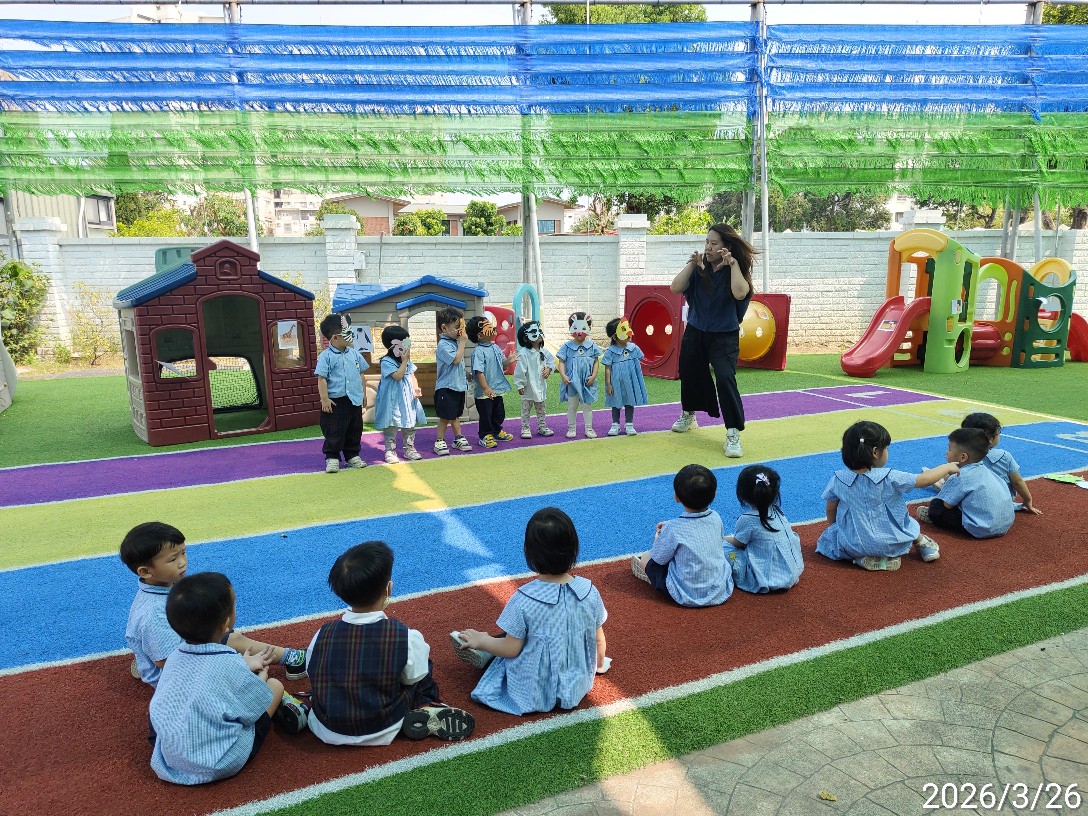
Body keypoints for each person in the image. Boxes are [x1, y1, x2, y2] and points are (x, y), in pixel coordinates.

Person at [305, 541, 475, 745]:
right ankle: (427, 705)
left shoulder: (322, 634)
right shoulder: (405, 637)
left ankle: (303, 705)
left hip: (326, 726)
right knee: (422, 667)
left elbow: (312, 670)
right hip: (384, 726)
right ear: (388, 588)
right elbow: (413, 677)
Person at [148, 572, 308, 785]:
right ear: (226, 624)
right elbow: (250, 711)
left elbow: (206, 674)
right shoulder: (230, 663)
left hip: (170, 759)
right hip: (220, 762)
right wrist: (260, 679)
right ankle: (286, 701)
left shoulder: (174, 657)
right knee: (275, 686)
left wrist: (243, 665)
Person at [452, 507, 609, 715]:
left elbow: (511, 649)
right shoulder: (589, 591)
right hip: (576, 685)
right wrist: (596, 666)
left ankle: (486, 649)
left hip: (536, 691)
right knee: (531, 633)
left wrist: (482, 640)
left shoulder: (524, 598)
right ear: (574, 548)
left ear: (528, 551)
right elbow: (598, 640)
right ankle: (491, 646)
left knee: (508, 646)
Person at [121, 521, 306, 687]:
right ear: (145, 572)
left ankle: (145, 658)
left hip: (179, 653)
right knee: (232, 642)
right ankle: (293, 659)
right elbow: (165, 662)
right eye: (173, 559)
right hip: (178, 679)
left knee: (221, 633)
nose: (182, 563)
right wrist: (232, 663)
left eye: (183, 552)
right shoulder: (154, 613)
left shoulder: (164, 585)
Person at [816, 421, 958, 571]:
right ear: (875, 452)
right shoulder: (889, 477)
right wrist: (946, 467)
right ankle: (922, 544)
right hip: (891, 542)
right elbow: (924, 479)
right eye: (886, 448)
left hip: (854, 544)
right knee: (906, 522)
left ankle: (859, 559)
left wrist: (836, 529)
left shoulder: (837, 480)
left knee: (832, 539)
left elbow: (831, 509)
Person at [669, 224, 754, 459]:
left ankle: (733, 433)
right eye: (707, 242)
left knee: (725, 378)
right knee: (689, 372)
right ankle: (689, 415)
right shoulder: (699, 269)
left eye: (714, 243)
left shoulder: (735, 270)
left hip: (724, 336)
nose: (708, 247)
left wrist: (733, 264)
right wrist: (691, 264)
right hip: (695, 332)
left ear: (726, 247)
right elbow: (675, 287)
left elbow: (740, 293)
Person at [631, 464, 733, 607]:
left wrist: (658, 539)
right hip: (719, 590)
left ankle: (652, 578)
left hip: (684, 594)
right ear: (715, 494)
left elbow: (658, 558)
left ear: (676, 497)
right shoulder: (716, 517)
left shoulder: (673, 529)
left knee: (646, 558)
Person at [918, 428, 1015, 538]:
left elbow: (947, 505)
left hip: (981, 528)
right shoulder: (988, 472)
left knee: (936, 505)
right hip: (1004, 525)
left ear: (963, 457)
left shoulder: (960, 476)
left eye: (949, 449)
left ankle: (932, 517)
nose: (946, 452)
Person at [724, 465, 804, 593]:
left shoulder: (747, 519)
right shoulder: (777, 511)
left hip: (767, 579)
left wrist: (724, 538)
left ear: (742, 495)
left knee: (724, 549)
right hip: (792, 571)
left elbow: (738, 543)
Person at [315, 313, 369, 474]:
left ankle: (352, 455)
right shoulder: (326, 356)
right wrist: (324, 399)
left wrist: (364, 394)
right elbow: (322, 378)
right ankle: (332, 456)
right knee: (334, 429)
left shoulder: (355, 354)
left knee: (355, 428)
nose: (352, 335)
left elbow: (361, 374)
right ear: (335, 338)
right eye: (348, 332)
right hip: (335, 401)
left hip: (354, 399)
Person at [960, 412, 1041, 514]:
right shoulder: (1004, 456)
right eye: (998, 432)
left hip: (974, 504)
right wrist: (1028, 500)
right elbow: (1017, 482)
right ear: (990, 438)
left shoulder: (961, 456)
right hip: (1002, 504)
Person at [373, 325, 427, 464]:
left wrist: (416, 387)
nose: (407, 347)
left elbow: (411, 374)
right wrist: (404, 362)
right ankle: (390, 450)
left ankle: (409, 449)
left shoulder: (407, 360)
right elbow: (398, 376)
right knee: (391, 424)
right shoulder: (386, 361)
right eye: (404, 343)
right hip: (392, 400)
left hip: (407, 398)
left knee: (409, 423)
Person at [467, 315, 515, 448]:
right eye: (487, 325)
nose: (492, 327)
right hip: (484, 393)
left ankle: (496, 431)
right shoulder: (478, 352)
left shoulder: (495, 348)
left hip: (496, 389)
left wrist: (509, 360)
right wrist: (486, 388)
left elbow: (502, 364)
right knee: (486, 415)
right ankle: (485, 435)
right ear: (480, 335)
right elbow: (479, 371)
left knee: (499, 413)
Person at [433, 306, 474, 456]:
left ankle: (458, 438)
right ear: (444, 328)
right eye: (457, 327)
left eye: (461, 327)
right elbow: (456, 360)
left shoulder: (454, 342)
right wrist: (463, 343)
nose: (460, 331)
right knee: (445, 416)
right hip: (446, 387)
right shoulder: (443, 345)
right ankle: (439, 441)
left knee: (455, 415)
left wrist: (466, 374)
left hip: (457, 386)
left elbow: (458, 364)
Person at [555, 312, 602, 439]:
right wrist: (563, 376)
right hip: (572, 382)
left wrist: (593, 376)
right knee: (572, 406)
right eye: (576, 328)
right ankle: (571, 429)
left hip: (587, 381)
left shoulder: (592, 346)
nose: (580, 332)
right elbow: (561, 361)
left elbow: (596, 361)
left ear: (588, 328)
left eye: (583, 328)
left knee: (587, 406)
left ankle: (589, 429)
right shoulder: (567, 346)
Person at [602, 316, 648, 436]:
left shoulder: (633, 348)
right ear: (614, 337)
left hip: (630, 382)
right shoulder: (610, 351)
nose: (628, 333)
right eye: (623, 330)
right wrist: (608, 384)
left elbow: (640, 361)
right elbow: (607, 368)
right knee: (615, 402)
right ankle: (615, 424)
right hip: (616, 383)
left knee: (629, 401)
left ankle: (629, 424)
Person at [513, 320, 556, 439]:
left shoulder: (544, 352)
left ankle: (542, 426)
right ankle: (525, 428)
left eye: (539, 331)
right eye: (534, 332)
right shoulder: (524, 353)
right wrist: (519, 384)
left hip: (540, 386)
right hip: (528, 387)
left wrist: (549, 369)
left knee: (541, 408)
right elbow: (520, 370)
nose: (539, 334)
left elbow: (551, 362)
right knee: (526, 409)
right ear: (526, 338)